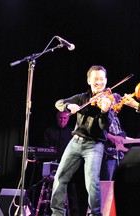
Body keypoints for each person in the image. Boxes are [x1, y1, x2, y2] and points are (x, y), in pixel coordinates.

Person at [50, 65, 114, 216]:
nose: (99, 82)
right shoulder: (81, 98)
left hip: (94, 144)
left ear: (106, 80)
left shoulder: (107, 101)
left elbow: (104, 126)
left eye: (102, 79)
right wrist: (68, 105)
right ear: (89, 81)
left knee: (92, 182)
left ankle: (95, 214)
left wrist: (105, 112)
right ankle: (57, 213)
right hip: (76, 142)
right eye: (95, 79)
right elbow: (58, 103)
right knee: (60, 177)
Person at [101, 93, 140, 181]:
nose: (119, 107)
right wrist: (113, 138)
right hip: (109, 153)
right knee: (106, 182)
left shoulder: (115, 118)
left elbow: (122, 139)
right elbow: (102, 131)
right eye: (118, 103)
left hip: (118, 155)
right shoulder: (105, 117)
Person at [42, 111, 81, 216]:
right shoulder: (50, 131)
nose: (62, 120)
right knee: (53, 190)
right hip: (53, 165)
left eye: (64, 118)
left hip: (68, 166)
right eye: (60, 118)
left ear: (68, 119)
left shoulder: (71, 132)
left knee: (72, 192)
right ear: (57, 118)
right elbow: (44, 148)